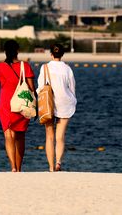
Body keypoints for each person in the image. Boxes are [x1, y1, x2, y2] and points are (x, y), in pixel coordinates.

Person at [0, 39, 35, 172]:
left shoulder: (0, 66)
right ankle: (19, 167)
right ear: (17, 50)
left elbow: (1, 83)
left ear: (5, 51)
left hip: (6, 102)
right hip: (22, 102)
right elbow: (31, 87)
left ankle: (12, 166)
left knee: (8, 135)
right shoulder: (25, 66)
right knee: (20, 136)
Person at [37, 43, 76, 171]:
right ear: (62, 54)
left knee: (49, 136)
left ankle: (51, 167)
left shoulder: (45, 67)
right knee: (60, 137)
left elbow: (40, 88)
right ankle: (59, 162)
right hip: (65, 103)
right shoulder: (67, 69)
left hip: (49, 104)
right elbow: (72, 88)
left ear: (51, 54)